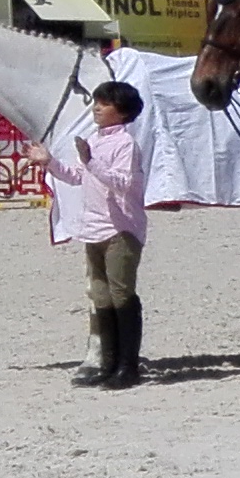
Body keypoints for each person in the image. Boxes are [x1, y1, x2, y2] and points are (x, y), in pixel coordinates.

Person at [49, 78, 152, 390]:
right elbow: (77, 176)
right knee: (101, 295)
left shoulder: (126, 144)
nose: (97, 108)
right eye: (97, 102)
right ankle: (108, 361)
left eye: (105, 104)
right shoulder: (94, 140)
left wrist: (91, 162)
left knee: (122, 294)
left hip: (120, 228)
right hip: (93, 227)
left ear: (122, 112)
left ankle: (128, 366)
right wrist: (49, 162)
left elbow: (123, 183)